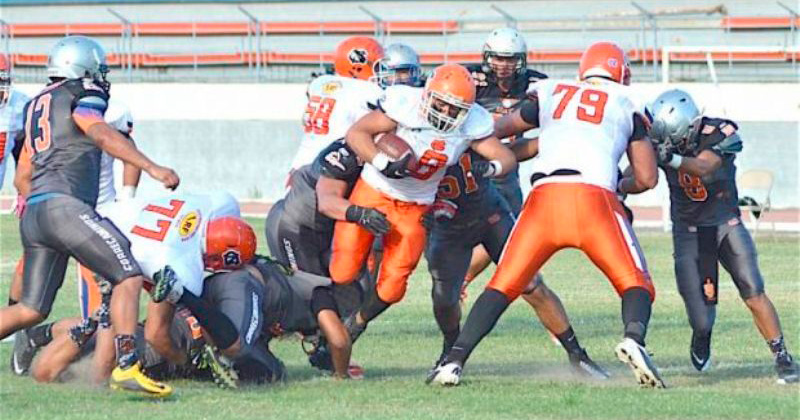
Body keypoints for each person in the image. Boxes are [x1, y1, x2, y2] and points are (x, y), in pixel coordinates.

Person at [428, 42, 664, 388]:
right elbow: (646, 177)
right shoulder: (629, 101)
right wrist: (619, 183)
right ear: (622, 74)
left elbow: (499, 129)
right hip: (593, 198)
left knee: (503, 285)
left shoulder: (552, 90)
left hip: (543, 199)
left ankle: (453, 362)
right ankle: (633, 339)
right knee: (635, 281)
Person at [0, 35, 179, 397]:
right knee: (128, 275)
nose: (102, 76)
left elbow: (23, 175)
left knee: (31, 309)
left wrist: (46, 206)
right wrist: (153, 168)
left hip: (36, 211)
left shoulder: (35, 104)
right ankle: (127, 366)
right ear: (82, 67)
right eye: (99, 69)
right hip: (65, 205)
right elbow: (97, 131)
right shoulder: (82, 91)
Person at [331, 63, 517, 348]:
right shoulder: (404, 105)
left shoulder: (472, 125)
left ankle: (356, 321)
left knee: (393, 288)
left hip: (415, 206)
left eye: (455, 109)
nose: (445, 113)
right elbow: (357, 133)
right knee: (342, 270)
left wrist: (491, 168)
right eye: (441, 104)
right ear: (428, 94)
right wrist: (382, 162)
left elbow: (505, 157)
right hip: (373, 191)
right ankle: (326, 322)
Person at [649, 88, 799, 384]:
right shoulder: (658, 143)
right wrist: (616, 184)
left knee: (753, 291)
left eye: (674, 138)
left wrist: (672, 159)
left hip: (724, 224)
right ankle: (702, 333)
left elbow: (705, 165)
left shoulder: (719, 132)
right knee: (701, 313)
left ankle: (782, 356)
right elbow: (639, 174)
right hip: (689, 232)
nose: (670, 144)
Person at [423, 147, 608, 379]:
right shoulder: (407, 133)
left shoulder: (473, 129)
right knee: (444, 300)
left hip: (489, 216)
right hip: (445, 228)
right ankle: (450, 351)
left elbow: (507, 153)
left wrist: (546, 139)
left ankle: (576, 355)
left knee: (530, 283)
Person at [462, 27, 548, 296]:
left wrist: (516, 154)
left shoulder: (535, 84)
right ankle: (460, 277)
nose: (504, 65)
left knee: (509, 232)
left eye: (510, 59)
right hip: (470, 165)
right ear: (487, 57)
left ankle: (462, 278)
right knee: (502, 232)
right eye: (499, 58)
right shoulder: (470, 79)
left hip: (507, 170)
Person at [289, 36, 385, 171]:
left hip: (299, 166)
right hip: (331, 166)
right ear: (358, 67)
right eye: (377, 66)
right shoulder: (368, 90)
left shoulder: (319, 82)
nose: (381, 71)